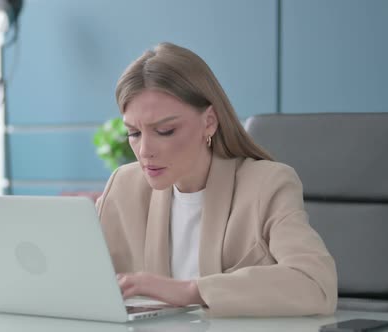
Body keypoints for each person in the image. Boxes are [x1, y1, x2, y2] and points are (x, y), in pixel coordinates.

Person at [95, 42, 337, 317]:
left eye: (164, 130)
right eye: (134, 133)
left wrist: (191, 291)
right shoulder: (124, 187)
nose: (144, 151)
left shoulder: (267, 185)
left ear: (209, 121)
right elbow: (82, 284)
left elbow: (316, 285)